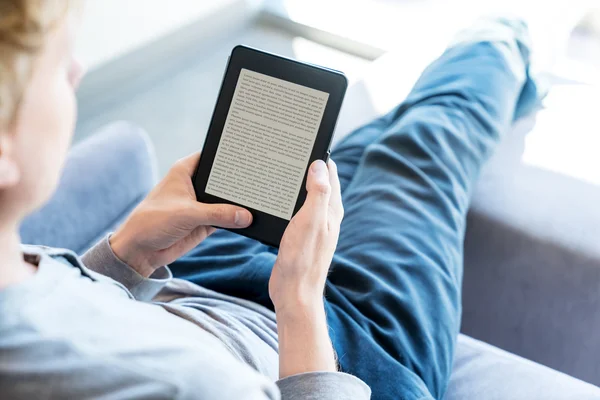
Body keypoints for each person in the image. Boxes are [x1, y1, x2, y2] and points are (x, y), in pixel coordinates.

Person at [0, 1, 541, 399]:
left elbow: (72, 312)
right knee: (420, 146)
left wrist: (127, 253)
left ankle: (499, 58)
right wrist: (301, 300)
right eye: (57, 64)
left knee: (340, 159)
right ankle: (506, 31)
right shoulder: (187, 385)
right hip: (341, 349)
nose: (77, 72)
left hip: (189, 281)